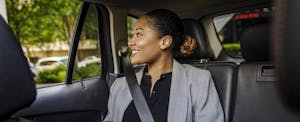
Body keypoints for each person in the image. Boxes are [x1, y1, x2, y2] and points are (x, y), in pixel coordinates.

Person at [104, 9, 224, 122]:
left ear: (164, 42)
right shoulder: (120, 85)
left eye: (139, 34)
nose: (130, 42)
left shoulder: (199, 81)